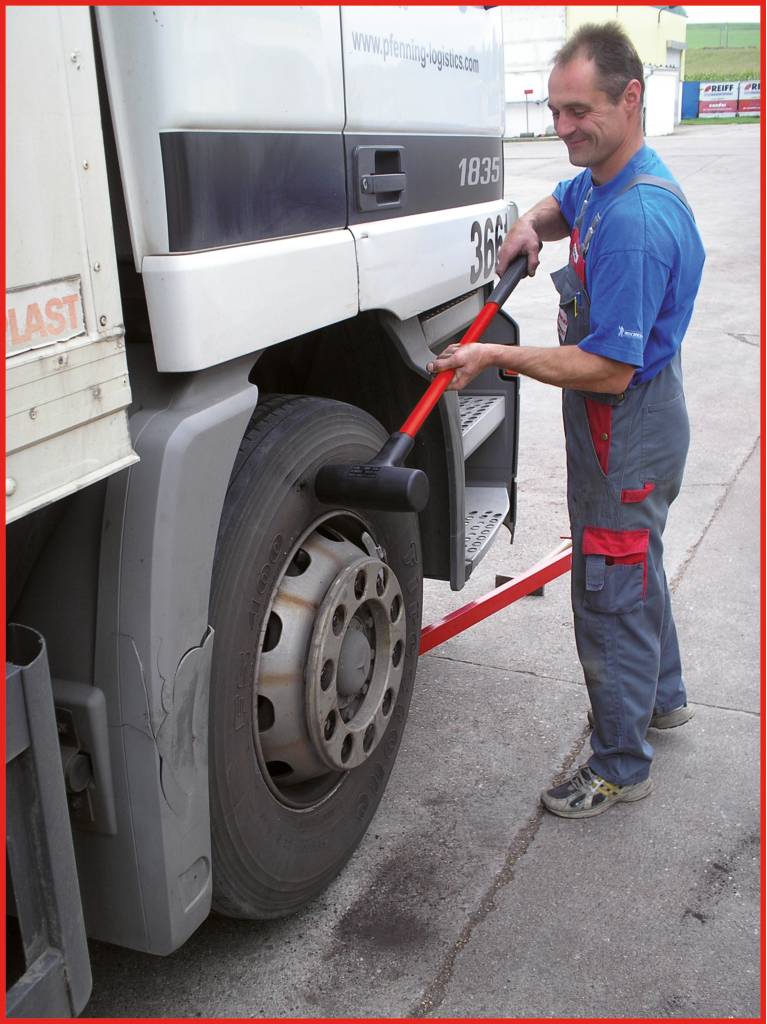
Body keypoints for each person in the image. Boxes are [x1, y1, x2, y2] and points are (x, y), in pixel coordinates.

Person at [427, 23, 705, 819]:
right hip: (629, 424)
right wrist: (530, 223)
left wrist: (496, 356)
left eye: (578, 111)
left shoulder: (635, 224)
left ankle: (619, 764)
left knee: (609, 588)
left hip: (626, 425)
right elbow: (564, 200)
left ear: (630, 98)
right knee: (634, 563)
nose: (561, 127)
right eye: (552, 110)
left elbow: (608, 369)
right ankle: (662, 698)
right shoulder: (605, 180)